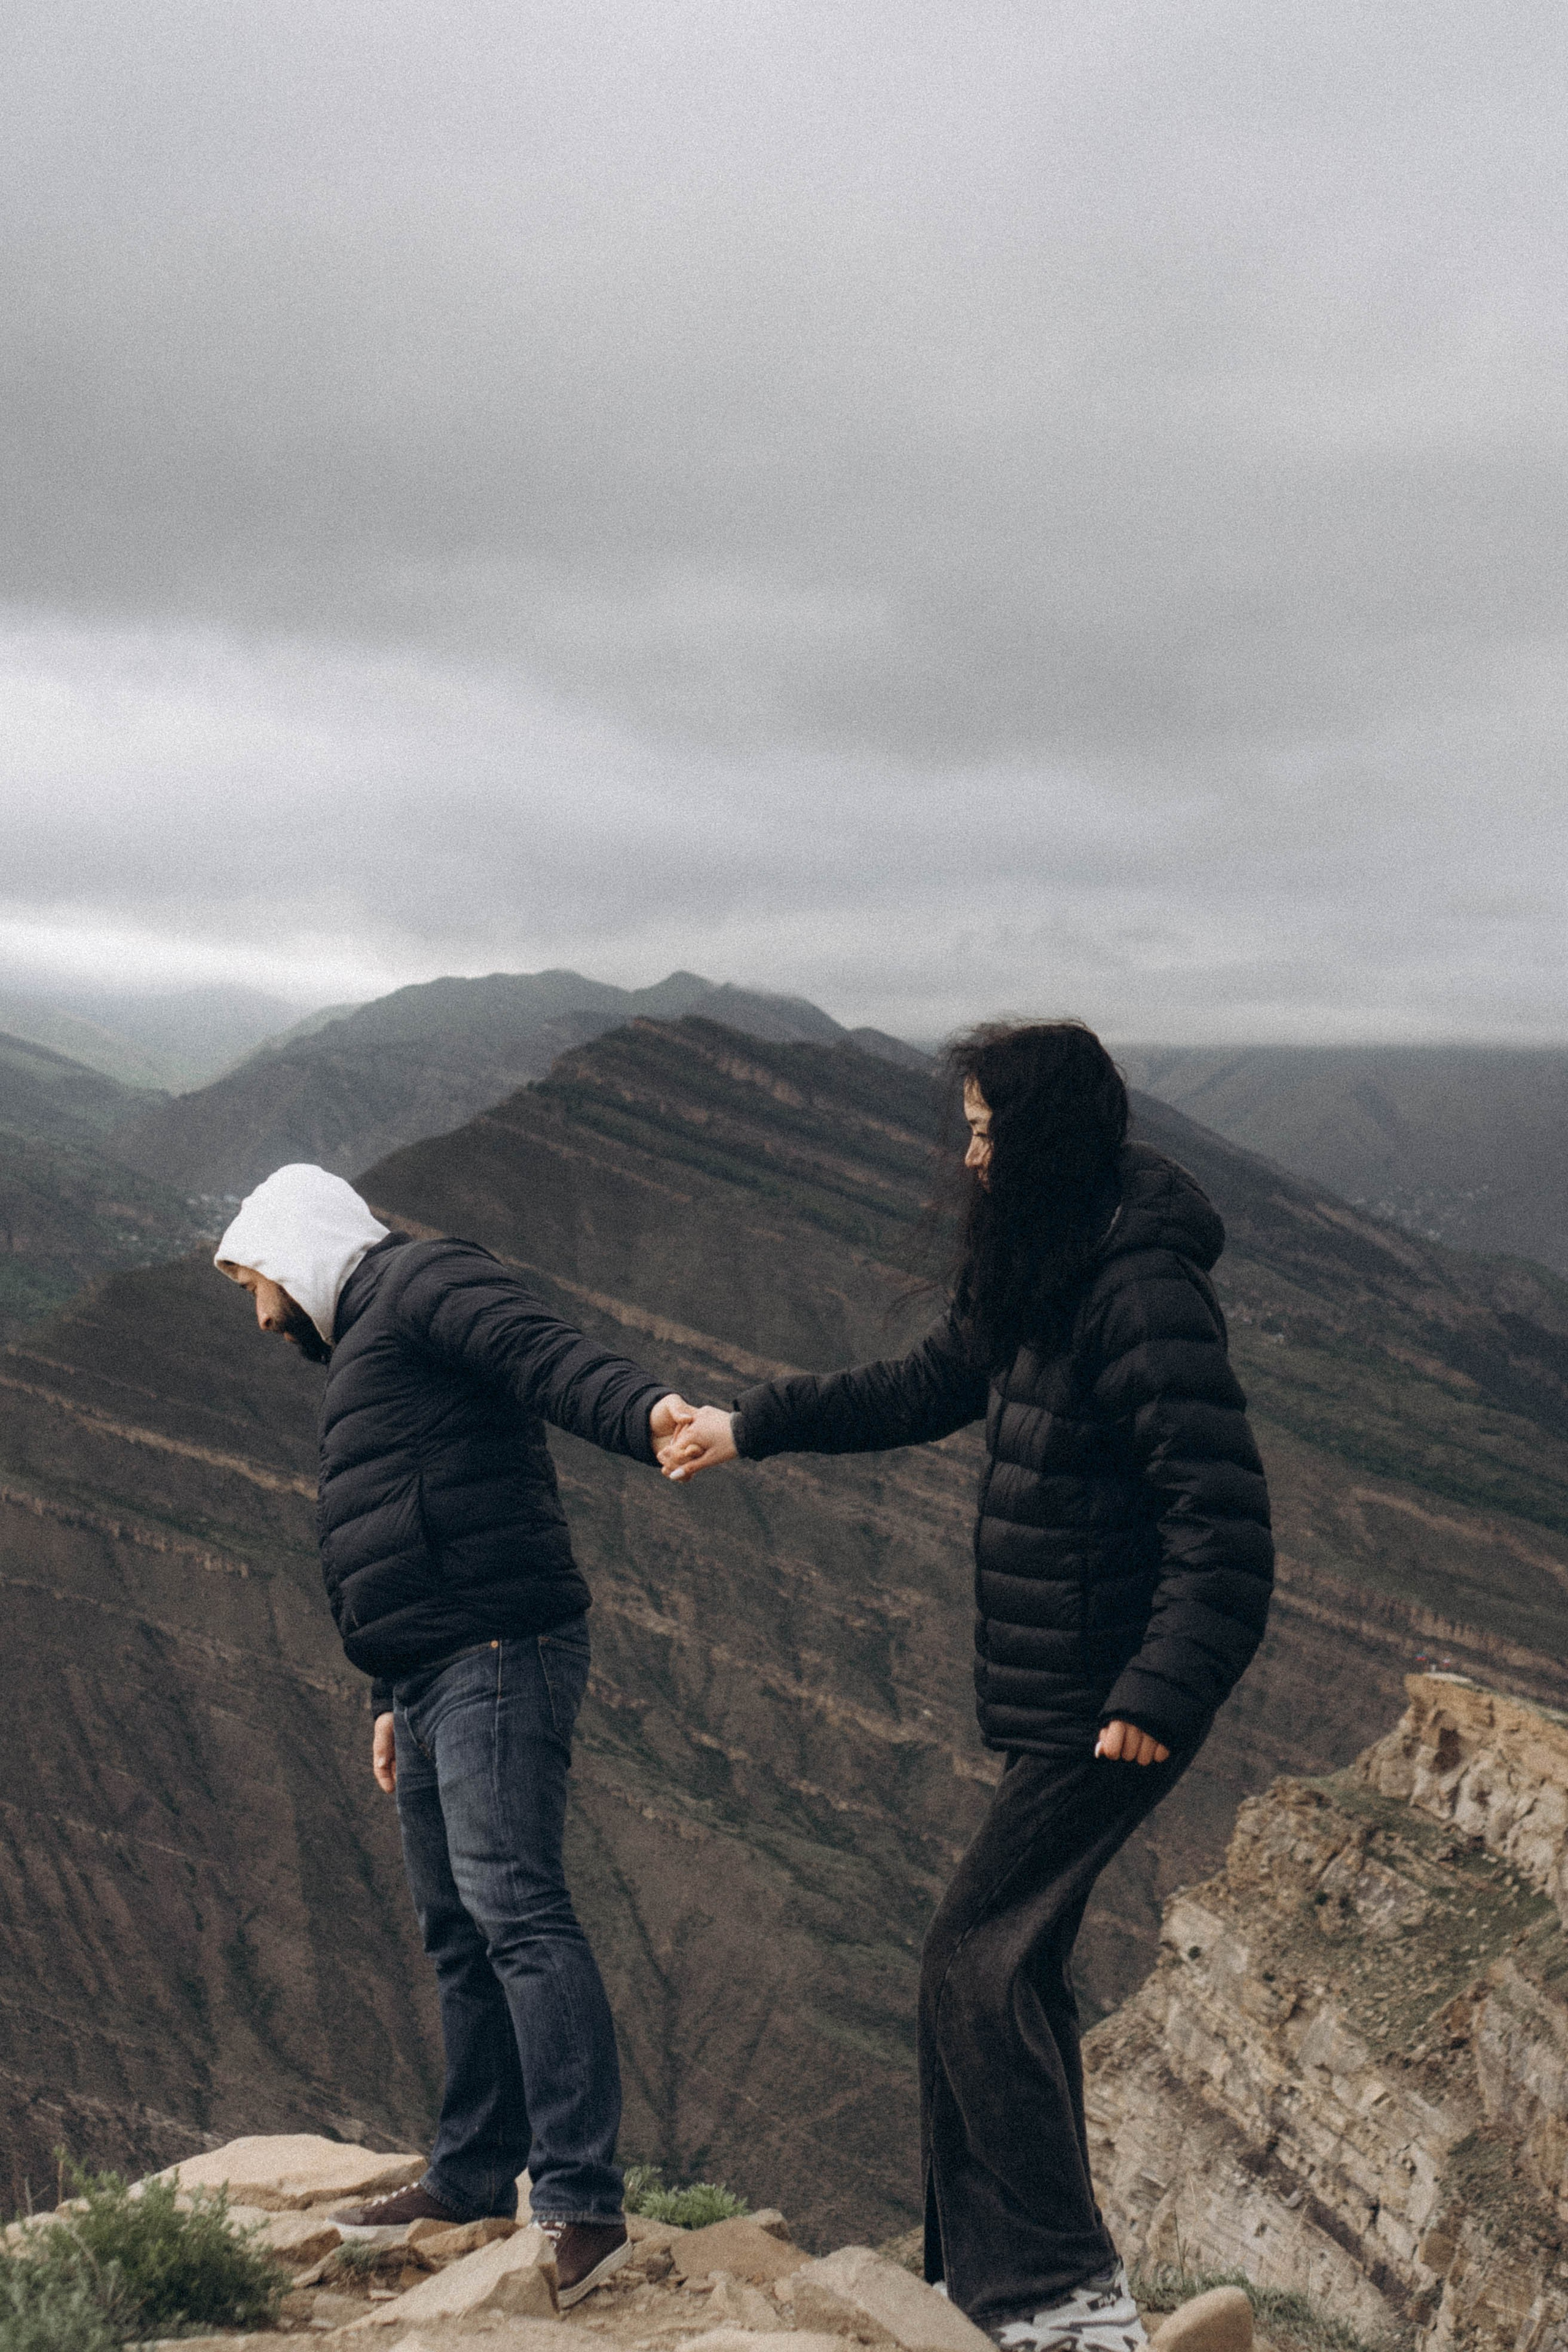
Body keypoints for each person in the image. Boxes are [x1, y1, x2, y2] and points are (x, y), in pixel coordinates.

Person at [658, 1022, 1274, 2352]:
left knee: (968, 1964)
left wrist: (1155, 1694)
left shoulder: (1139, 1288)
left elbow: (1223, 1530)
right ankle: (997, 2284)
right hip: (1063, 1681)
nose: (970, 1152)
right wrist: (748, 1426)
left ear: (1043, 1134)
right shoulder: (1049, 1260)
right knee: (1014, 1967)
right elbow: (927, 1383)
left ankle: (1062, 2299)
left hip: (1112, 1699)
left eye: (988, 1129)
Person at [214, 1163, 695, 2306]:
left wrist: (647, 1414)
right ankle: (473, 2174)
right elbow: (402, 1521)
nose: (261, 1313)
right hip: (431, 1673)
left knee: (519, 1912)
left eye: (256, 1283)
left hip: (497, 1652)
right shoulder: (374, 1339)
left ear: (292, 1248)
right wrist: (386, 1694)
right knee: (457, 1933)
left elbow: (545, 1352)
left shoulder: (424, 1282)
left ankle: (580, 2202)